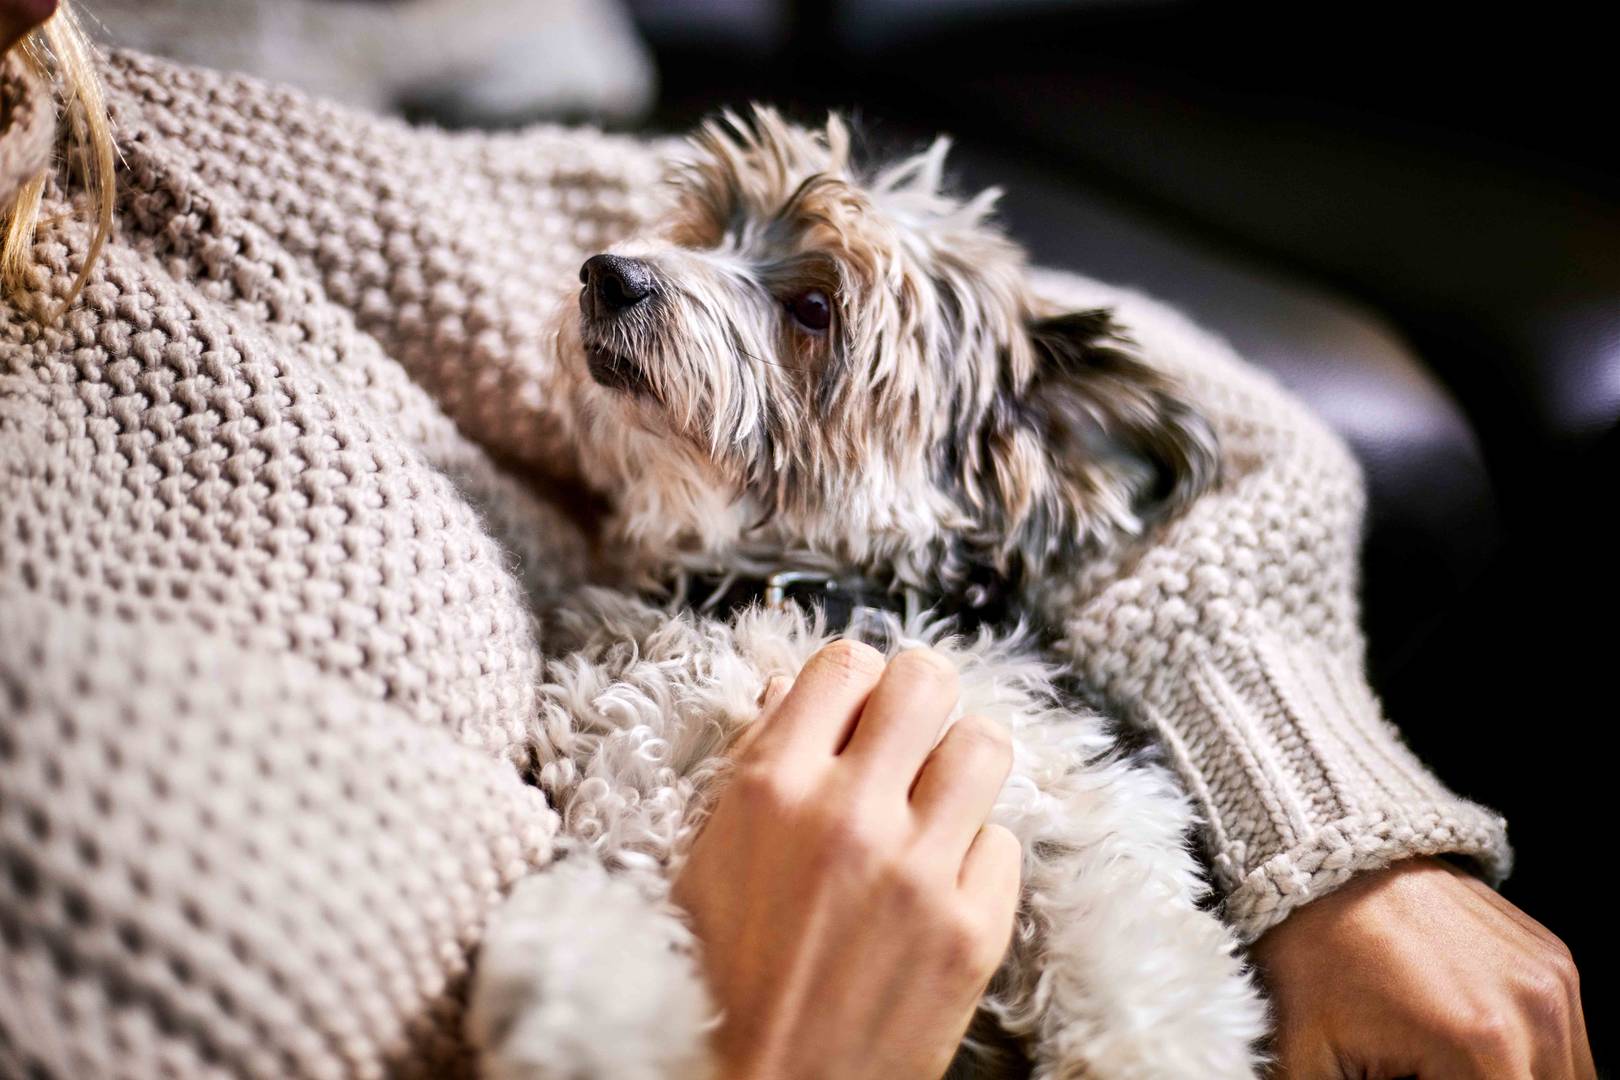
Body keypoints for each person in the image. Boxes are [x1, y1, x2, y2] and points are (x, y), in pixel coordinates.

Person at [0, 4, 1591, 1078]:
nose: (625, 271)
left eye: (807, 309)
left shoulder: (118, 141)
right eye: (705, 253)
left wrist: (1339, 856)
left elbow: (1215, 419)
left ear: (1011, 456)